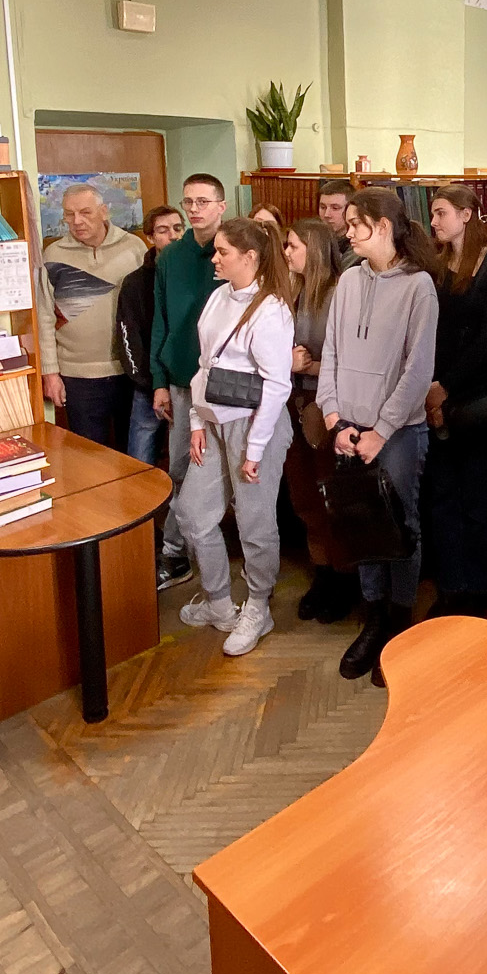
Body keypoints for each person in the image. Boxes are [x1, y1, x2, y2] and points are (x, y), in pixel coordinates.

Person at [317, 188, 441, 682]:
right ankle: (373, 621)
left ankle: (399, 626)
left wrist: (382, 430)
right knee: (361, 524)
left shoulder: (419, 286)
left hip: (398, 434)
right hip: (347, 428)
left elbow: (418, 370)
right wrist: (333, 416)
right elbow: (331, 351)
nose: (347, 232)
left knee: (400, 526)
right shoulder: (348, 279)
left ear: (383, 226)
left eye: (356, 224)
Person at [174, 219, 296, 658]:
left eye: (223, 251)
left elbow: (277, 386)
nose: (215, 258)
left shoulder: (271, 309)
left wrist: (255, 449)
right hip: (213, 422)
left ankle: (259, 607)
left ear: (250, 257)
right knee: (192, 513)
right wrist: (196, 420)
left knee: (254, 522)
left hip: (255, 426)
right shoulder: (218, 296)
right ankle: (220, 603)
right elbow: (204, 367)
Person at [421, 184, 487, 618]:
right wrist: (431, 390)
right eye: (433, 214)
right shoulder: (436, 264)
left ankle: (480, 592)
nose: (434, 222)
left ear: (466, 214)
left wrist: (446, 387)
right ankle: (451, 587)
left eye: (441, 213)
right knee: (442, 496)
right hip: (434, 396)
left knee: (478, 497)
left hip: (474, 398)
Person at [151, 173, 229, 588]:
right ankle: (175, 553)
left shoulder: (234, 252)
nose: (194, 209)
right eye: (188, 202)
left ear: (221, 206)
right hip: (183, 382)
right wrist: (158, 381)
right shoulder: (170, 258)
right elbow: (160, 322)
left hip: (228, 387)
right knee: (180, 468)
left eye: (203, 201)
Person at [285, 218, 359, 623]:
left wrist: (306, 367)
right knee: (305, 499)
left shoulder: (338, 293)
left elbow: (350, 360)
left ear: (313, 249)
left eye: (293, 246)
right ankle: (323, 573)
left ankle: (345, 578)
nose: (286, 253)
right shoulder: (290, 291)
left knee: (332, 498)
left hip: (325, 406)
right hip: (291, 403)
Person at [39, 184, 149, 448]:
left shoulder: (133, 248)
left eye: (85, 212)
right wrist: (50, 373)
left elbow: (148, 308)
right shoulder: (54, 255)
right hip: (77, 376)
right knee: (89, 455)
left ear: (103, 212)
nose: (77, 221)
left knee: (133, 456)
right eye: (69, 214)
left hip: (130, 372)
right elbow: (43, 317)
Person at [115, 204, 183, 466]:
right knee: (140, 458)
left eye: (178, 228)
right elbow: (128, 337)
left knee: (186, 457)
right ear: (150, 237)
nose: (173, 236)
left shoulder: (194, 274)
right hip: (148, 382)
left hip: (186, 383)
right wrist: (151, 383)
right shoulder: (135, 282)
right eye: (163, 231)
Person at [318, 178, 360, 269]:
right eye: (323, 207)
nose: (327, 215)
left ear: (350, 210)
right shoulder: (314, 239)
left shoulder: (357, 248)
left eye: (335, 208)